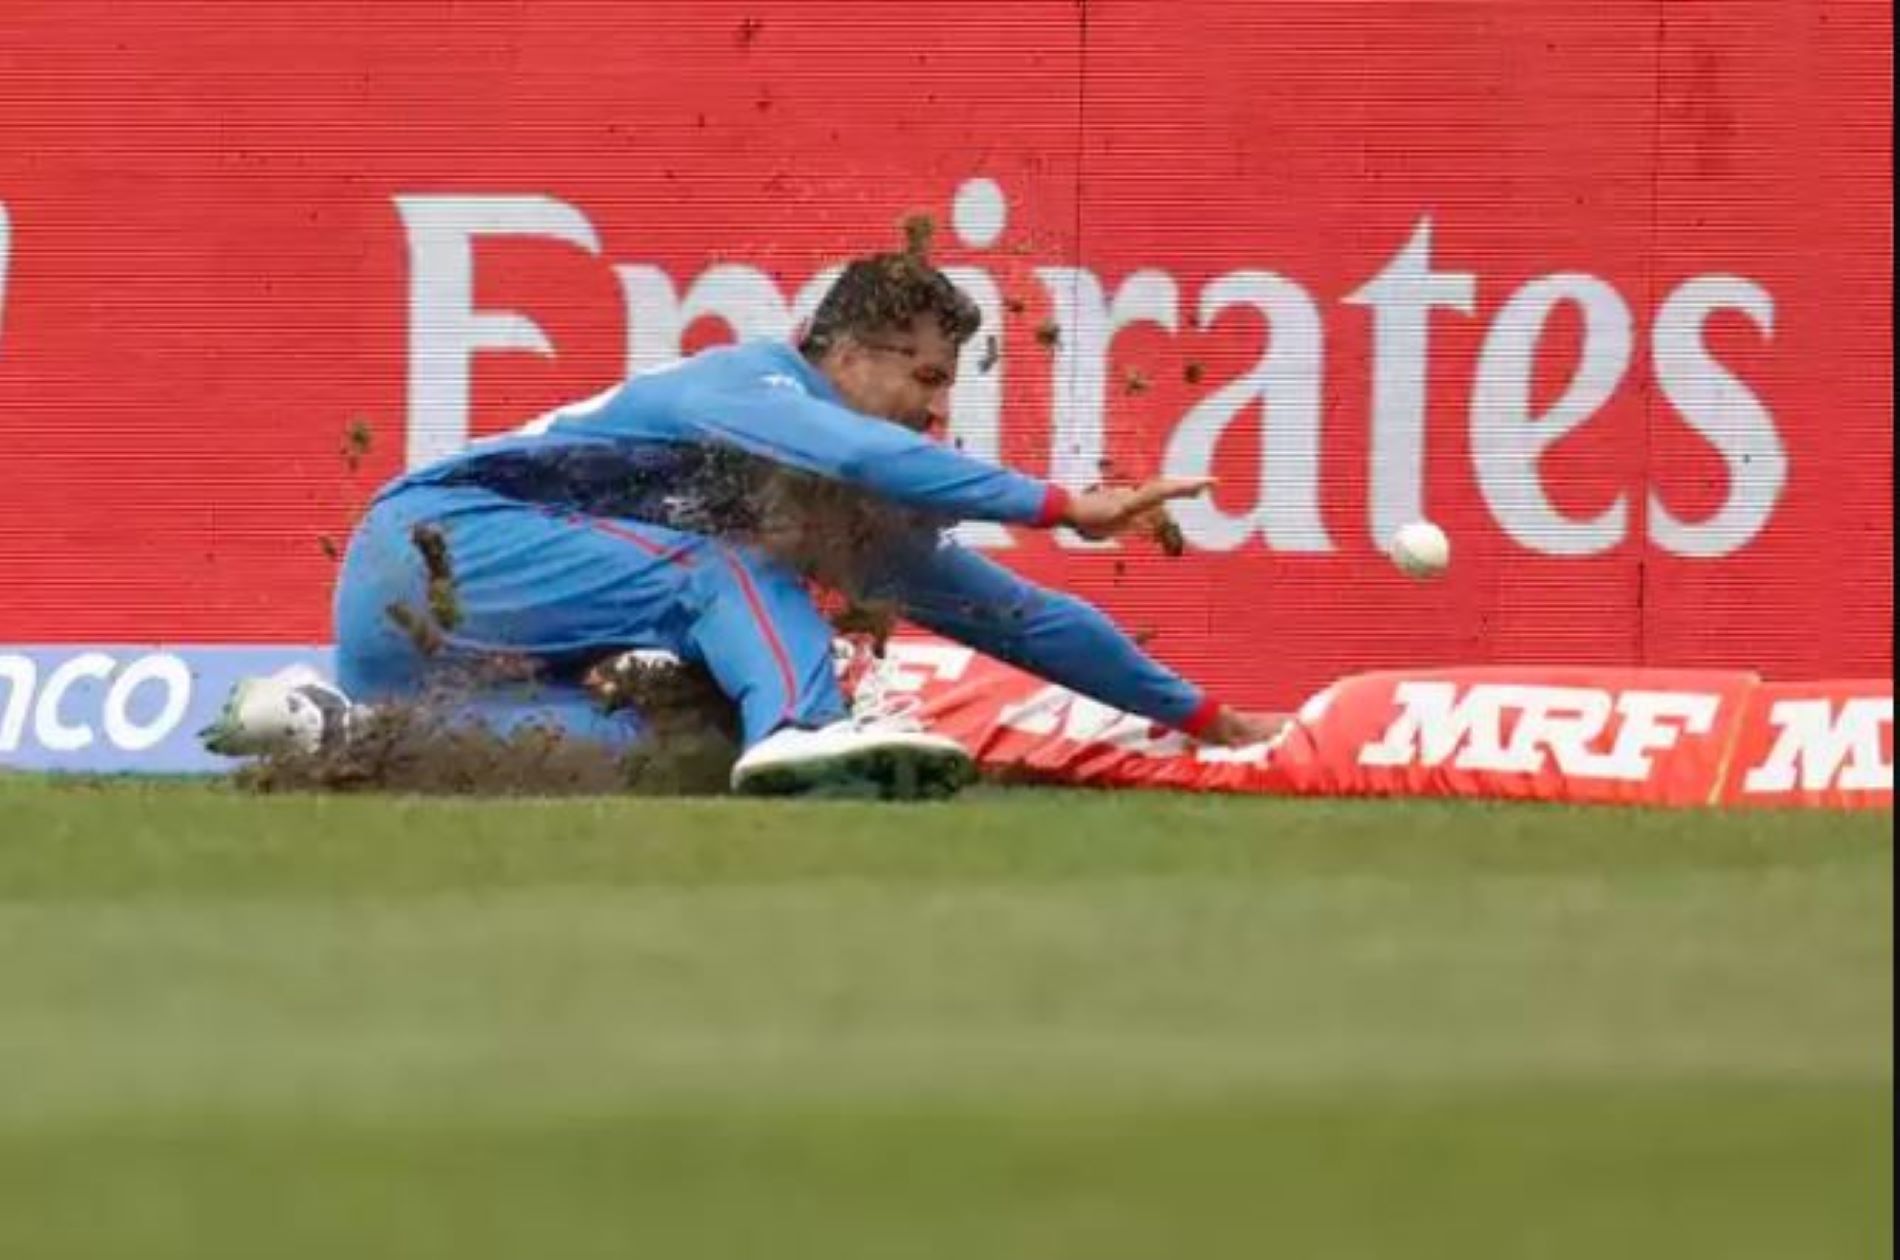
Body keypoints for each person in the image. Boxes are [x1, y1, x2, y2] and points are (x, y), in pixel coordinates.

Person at [204, 252, 1283, 797]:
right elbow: (859, 450)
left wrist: (1211, 723)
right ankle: (802, 730)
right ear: (844, 351)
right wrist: (1062, 505)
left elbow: (1016, 619)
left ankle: (331, 730)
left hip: (413, 655)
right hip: (437, 539)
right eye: (922, 375)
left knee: (677, 749)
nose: (936, 408)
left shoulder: (831, 501)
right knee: (720, 570)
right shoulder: (751, 381)